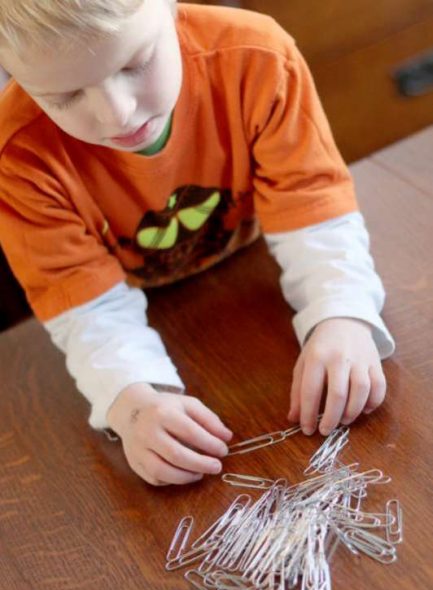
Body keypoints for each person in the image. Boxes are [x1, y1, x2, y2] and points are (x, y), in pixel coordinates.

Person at [0, 0, 394, 486]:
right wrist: (134, 401)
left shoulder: (259, 58)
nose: (117, 112)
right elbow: (80, 302)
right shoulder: (15, 157)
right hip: (150, 305)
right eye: (64, 97)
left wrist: (342, 313)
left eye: (134, 64)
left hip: (254, 261)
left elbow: (311, 202)